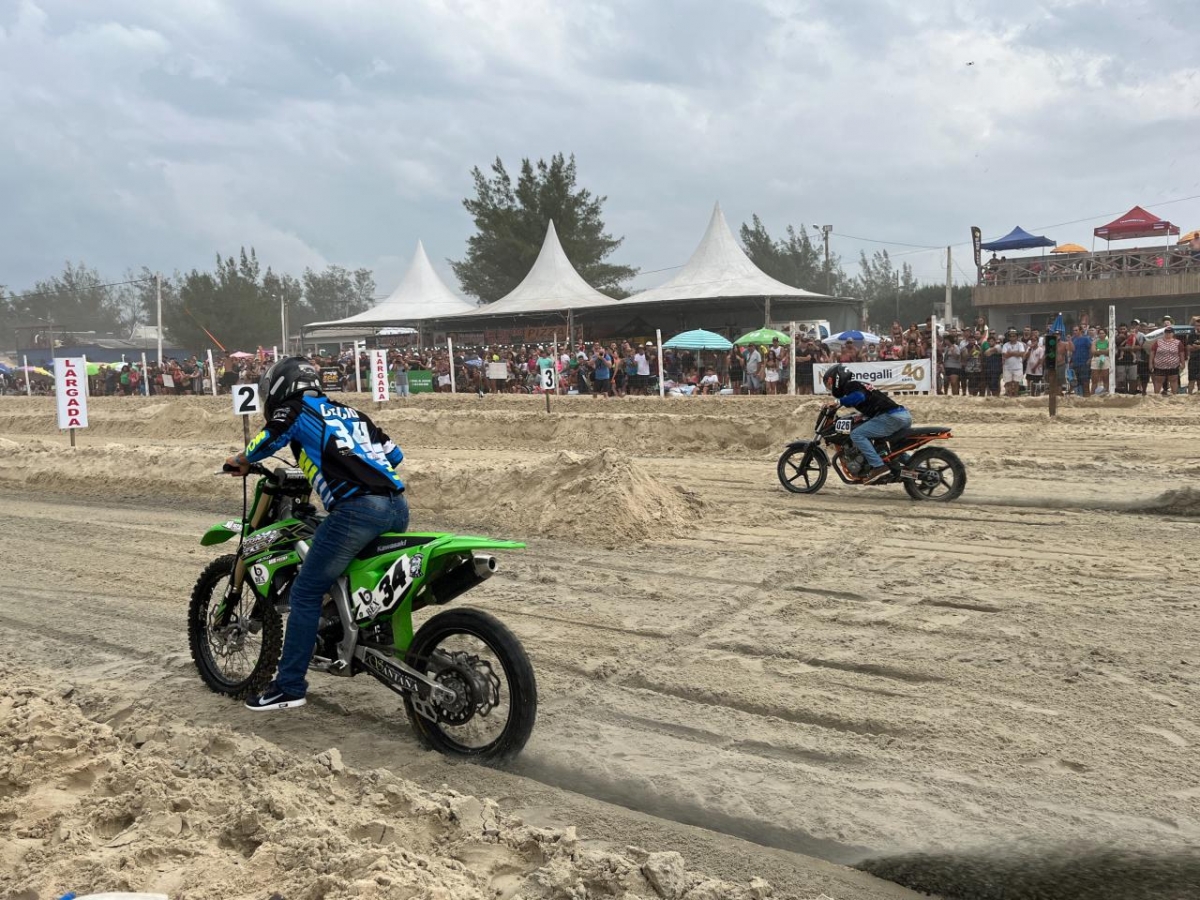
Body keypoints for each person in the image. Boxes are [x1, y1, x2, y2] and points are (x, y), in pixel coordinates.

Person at [224, 357, 409, 712]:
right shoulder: (352, 412)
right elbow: (394, 455)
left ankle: (289, 686)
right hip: (397, 507)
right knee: (344, 563)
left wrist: (241, 460)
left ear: (279, 387)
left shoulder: (295, 408)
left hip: (357, 510)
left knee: (306, 590)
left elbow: (267, 439)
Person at [822, 363, 912, 484]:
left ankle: (879, 467)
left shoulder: (850, 385)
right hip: (902, 415)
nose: (830, 387)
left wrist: (838, 402)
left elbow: (859, 396)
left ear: (835, 379)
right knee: (896, 452)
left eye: (829, 384)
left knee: (857, 434)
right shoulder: (859, 384)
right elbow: (872, 402)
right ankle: (917, 469)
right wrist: (859, 416)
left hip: (892, 417)